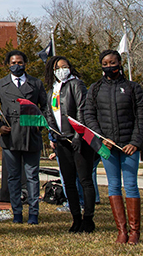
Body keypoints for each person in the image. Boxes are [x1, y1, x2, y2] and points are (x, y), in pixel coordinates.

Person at [83, 50, 143, 245]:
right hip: (107, 147)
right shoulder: (95, 89)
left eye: (112, 62)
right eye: (105, 63)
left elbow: (142, 117)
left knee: (130, 185)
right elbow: (89, 116)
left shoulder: (132, 88)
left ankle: (135, 232)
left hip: (129, 147)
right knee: (113, 185)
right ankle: (122, 230)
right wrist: (102, 138)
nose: (109, 66)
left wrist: (135, 142)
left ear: (120, 63)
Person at [0, 50, 48, 224]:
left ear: (25, 64)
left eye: (20, 62)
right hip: (11, 136)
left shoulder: (36, 84)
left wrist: (39, 126)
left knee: (32, 176)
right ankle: (16, 212)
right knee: (13, 177)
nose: (17, 65)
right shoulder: (1, 84)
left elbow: (45, 108)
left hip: (31, 135)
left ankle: (33, 213)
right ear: (8, 64)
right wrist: (0, 127)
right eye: (13, 62)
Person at [42, 56, 95, 233]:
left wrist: (79, 135)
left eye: (65, 67)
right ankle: (76, 218)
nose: (62, 70)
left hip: (78, 139)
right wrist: (54, 135)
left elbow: (82, 109)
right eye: (58, 68)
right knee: (69, 181)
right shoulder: (52, 91)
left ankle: (88, 218)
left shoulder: (76, 84)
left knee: (85, 179)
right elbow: (49, 114)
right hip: (62, 141)